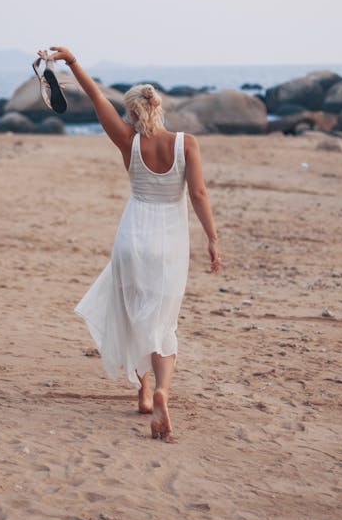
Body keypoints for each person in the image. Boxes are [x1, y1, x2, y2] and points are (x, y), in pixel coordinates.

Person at [41, 46, 220, 443]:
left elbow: (94, 97)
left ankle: (142, 391)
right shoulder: (186, 143)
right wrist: (212, 237)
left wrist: (72, 63)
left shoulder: (127, 141)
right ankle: (160, 391)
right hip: (170, 241)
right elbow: (200, 193)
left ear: (133, 113)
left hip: (132, 239)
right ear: (157, 108)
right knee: (162, 321)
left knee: (136, 314)